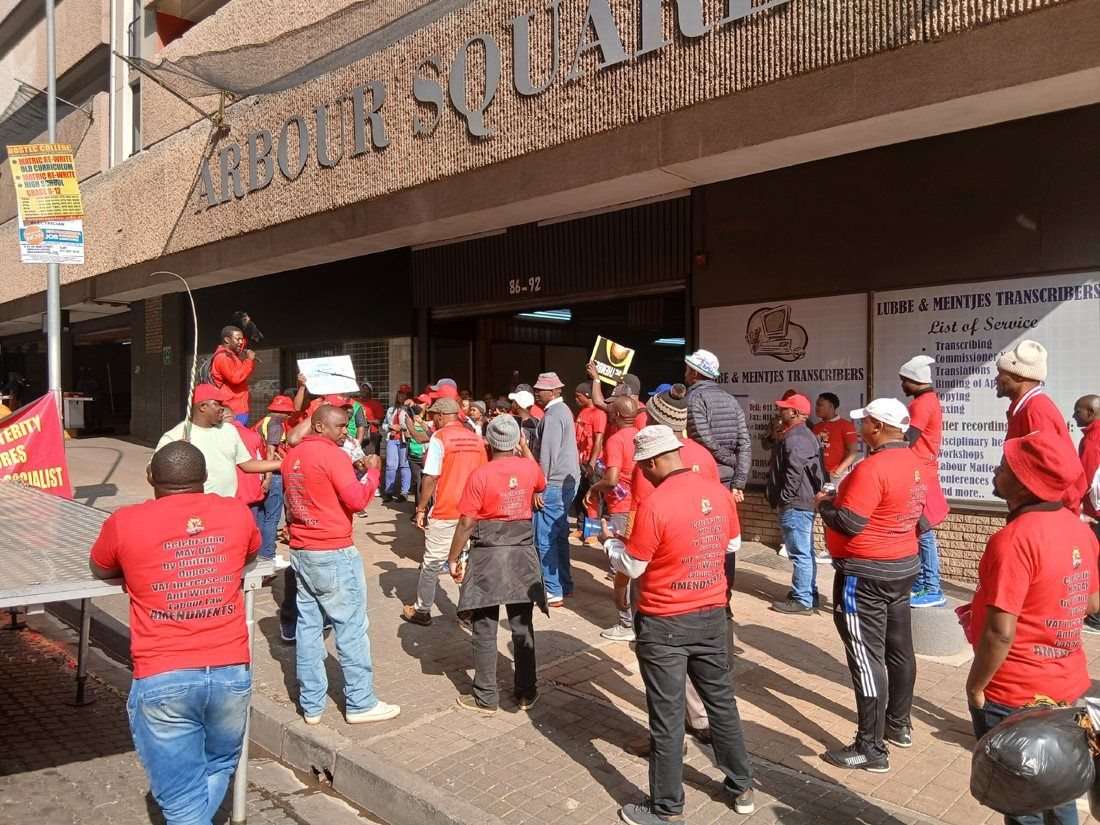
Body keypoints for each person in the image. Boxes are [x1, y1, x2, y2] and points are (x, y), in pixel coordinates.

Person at [89, 442, 258, 823]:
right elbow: (249, 554)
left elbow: (100, 567)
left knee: (182, 801)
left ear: (151, 476)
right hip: (231, 672)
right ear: (205, 477)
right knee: (218, 766)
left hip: (164, 675)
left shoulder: (125, 521)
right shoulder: (235, 512)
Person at [604, 426, 755, 823]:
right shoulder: (718, 492)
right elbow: (732, 545)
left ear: (654, 461)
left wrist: (611, 544)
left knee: (667, 717)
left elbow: (633, 565)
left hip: (664, 621)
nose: (643, 473)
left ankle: (666, 807)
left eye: (643, 467)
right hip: (712, 614)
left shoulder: (656, 504)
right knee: (722, 704)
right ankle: (742, 787)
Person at [966, 429, 1099, 825]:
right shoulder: (1079, 529)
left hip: (1015, 694)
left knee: (1022, 801)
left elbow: (1000, 632)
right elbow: (1092, 602)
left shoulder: (1013, 540)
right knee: (1059, 786)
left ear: (1025, 483)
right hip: (1066, 686)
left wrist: (976, 686)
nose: (996, 471)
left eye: (1005, 467)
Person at [817, 398, 927, 772]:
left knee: (866, 657)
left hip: (865, 573)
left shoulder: (872, 468)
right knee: (899, 649)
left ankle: (870, 748)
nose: (860, 428)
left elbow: (850, 523)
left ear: (877, 427)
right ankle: (898, 724)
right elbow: (922, 519)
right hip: (901, 566)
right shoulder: (915, 462)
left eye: (864, 422)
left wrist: (823, 504)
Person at [281, 404, 399, 725]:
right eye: (339, 426)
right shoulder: (332, 455)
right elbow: (357, 500)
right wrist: (373, 472)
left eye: (346, 425)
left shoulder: (292, 456)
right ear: (319, 426)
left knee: (308, 628)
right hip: (332, 550)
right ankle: (361, 702)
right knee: (351, 628)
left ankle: (311, 704)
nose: (345, 431)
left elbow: (294, 501)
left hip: (302, 549)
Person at [447, 415, 547, 714]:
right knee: (522, 625)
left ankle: (486, 696)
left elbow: (466, 523)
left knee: (484, 627)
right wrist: (525, 450)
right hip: (521, 555)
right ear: (517, 440)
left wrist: (452, 557)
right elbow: (540, 484)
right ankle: (526, 692)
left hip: (488, 555)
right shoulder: (529, 467)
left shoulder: (480, 475)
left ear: (487, 441)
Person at [403, 397, 488, 625]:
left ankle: (422, 610)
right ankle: (467, 612)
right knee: (464, 561)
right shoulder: (476, 439)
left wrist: (420, 509)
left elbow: (431, 476)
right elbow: (483, 476)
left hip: (445, 510)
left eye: (433, 416)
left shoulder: (440, 438)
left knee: (432, 563)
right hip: (471, 513)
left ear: (441, 416)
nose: (433, 420)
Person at [996, 339, 1087, 510]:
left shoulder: (1035, 411)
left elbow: (1053, 469)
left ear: (1019, 375)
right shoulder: (1026, 407)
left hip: (1049, 510)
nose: (996, 379)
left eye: (1001, 373)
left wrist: (1066, 513)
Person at [157, 384, 280, 497]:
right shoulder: (175, 436)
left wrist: (283, 464)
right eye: (218, 403)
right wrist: (174, 453)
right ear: (203, 407)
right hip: (197, 508)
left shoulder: (229, 430)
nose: (222, 408)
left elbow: (247, 464)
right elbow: (152, 474)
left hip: (227, 505)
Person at [766, 393, 826, 615]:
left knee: (800, 553)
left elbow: (794, 471)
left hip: (796, 503)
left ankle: (802, 599)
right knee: (805, 551)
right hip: (800, 502)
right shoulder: (801, 433)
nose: (780, 412)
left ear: (794, 413)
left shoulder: (797, 436)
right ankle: (809, 593)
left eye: (784, 409)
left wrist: (785, 498)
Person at [899, 355, 949, 609]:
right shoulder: (931, 400)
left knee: (923, 530)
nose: (902, 385)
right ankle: (922, 584)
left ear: (914, 380)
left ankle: (932, 587)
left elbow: (909, 438)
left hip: (920, 473)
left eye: (904, 380)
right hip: (923, 470)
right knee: (920, 531)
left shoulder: (920, 404)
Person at [532, 372, 581, 607]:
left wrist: (539, 487)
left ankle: (552, 590)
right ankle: (564, 584)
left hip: (553, 482)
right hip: (566, 480)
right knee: (559, 535)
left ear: (552, 392)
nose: (536, 393)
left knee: (544, 537)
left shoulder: (552, 416)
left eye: (539, 390)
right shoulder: (563, 411)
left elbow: (547, 456)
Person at [684, 349, 751, 502]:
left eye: (687, 370)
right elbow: (744, 444)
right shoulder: (731, 400)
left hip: (702, 476)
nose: (685, 373)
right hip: (727, 479)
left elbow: (702, 437)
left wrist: (729, 459)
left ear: (694, 373)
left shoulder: (693, 399)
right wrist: (738, 482)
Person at [253, 395, 294, 563]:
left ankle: (259, 552)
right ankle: (268, 555)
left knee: (261, 516)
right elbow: (271, 451)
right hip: (273, 474)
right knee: (272, 517)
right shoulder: (276, 424)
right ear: (281, 412)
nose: (289, 416)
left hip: (259, 470)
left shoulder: (262, 422)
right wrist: (269, 476)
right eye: (288, 413)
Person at [574, 382, 608, 538]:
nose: (576, 399)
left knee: (593, 497)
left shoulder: (598, 413)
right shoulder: (582, 412)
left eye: (578, 396)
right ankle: (581, 528)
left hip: (592, 462)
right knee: (580, 494)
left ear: (587, 396)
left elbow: (598, 440)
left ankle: (593, 532)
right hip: (580, 461)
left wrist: (592, 464)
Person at [210, 325, 257, 424]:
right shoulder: (223, 357)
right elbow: (235, 378)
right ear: (227, 340)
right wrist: (249, 361)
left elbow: (241, 344)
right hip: (232, 409)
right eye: (238, 339)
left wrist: (248, 326)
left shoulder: (232, 355)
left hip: (238, 407)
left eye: (241, 339)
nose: (241, 342)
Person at [812, 393, 858, 479]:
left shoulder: (846, 425)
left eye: (820, 405)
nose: (816, 408)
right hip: (818, 474)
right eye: (816, 405)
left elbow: (852, 452)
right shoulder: (816, 427)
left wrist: (837, 472)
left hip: (836, 476)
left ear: (831, 406)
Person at [383, 387, 412, 502]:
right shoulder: (391, 409)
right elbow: (384, 424)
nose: (401, 396)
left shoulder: (410, 409)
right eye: (399, 393)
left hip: (404, 440)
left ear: (408, 396)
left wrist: (400, 427)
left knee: (404, 465)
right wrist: (390, 427)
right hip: (392, 439)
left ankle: (404, 492)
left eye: (404, 394)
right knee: (390, 465)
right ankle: (388, 491)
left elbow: (413, 423)